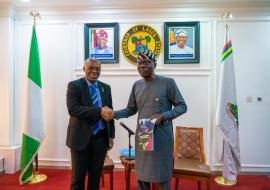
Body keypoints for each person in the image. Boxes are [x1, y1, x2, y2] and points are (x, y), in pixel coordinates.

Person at [114, 50, 187, 190]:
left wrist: (163, 116)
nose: (143, 66)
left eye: (147, 62)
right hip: (144, 131)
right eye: (140, 63)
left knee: (162, 175)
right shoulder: (137, 85)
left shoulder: (168, 83)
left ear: (154, 64)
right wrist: (115, 114)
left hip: (162, 134)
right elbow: (131, 109)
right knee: (143, 175)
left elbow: (182, 106)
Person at [66, 58, 115, 190]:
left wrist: (111, 136)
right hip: (79, 138)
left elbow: (110, 113)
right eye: (90, 68)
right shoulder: (74, 85)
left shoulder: (106, 88)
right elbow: (73, 109)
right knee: (78, 178)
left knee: (95, 177)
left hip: (100, 138)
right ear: (84, 69)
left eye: (97, 69)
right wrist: (99, 111)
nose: (94, 71)